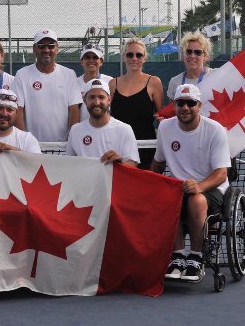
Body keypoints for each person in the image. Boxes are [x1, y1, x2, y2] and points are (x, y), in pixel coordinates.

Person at [151, 84, 231, 282]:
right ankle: (177, 256)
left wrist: (199, 187)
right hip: (179, 190)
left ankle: (196, 257)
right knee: (168, 198)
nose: (185, 107)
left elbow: (221, 174)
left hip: (212, 187)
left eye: (190, 103)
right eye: (180, 103)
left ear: (199, 106)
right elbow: (158, 163)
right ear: (174, 105)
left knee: (196, 200)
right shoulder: (165, 127)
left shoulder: (215, 130)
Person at [13, 29, 82, 142]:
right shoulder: (22, 74)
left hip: (62, 146)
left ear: (57, 49)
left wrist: (71, 140)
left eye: (51, 46)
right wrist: (23, 141)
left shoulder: (69, 74)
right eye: (41, 46)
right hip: (32, 146)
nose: (46, 50)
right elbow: (18, 110)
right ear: (34, 49)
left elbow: (74, 110)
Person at [109, 38, 163, 169]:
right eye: (130, 54)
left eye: (139, 55)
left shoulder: (154, 82)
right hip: (118, 150)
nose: (134, 58)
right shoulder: (112, 84)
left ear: (144, 58)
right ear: (124, 57)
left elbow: (161, 117)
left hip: (146, 149)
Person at [66, 79, 139, 167]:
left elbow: (132, 165)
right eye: (92, 97)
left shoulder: (124, 129)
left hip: (113, 181)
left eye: (101, 97)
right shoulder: (75, 130)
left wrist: (120, 163)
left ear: (109, 100)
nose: (97, 103)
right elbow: (69, 165)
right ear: (84, 100)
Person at [167, 31, 215, 101]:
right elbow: (172, 109)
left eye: (198, 52)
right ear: (183, 55)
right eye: (188, 52)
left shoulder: (216, 75)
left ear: (205, 56)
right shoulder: (175, 82)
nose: (192, 56)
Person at [77, 44, 112, 121]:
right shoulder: (74, 83)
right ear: (81, 61)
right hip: (82, 130)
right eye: (87, 57)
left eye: (95, 57)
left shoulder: (110, 82)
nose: (91, 60)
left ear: (101, 61)